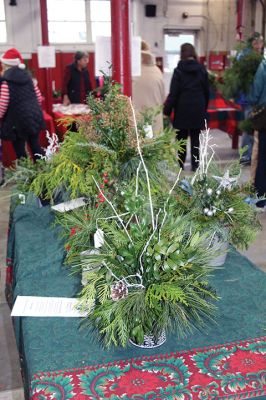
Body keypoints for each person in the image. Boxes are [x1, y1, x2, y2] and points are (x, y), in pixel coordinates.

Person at [164, 43, 209, 171]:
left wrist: (167, 111)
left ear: (182, 54)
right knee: (196, 139)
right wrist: (203, 108)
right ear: (193, 53)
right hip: (198, 108)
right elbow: (207, 91)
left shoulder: (178, 71)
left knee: (181, 139)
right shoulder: (202, 70)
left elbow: (174, 93)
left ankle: (180, 165)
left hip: (182, 109)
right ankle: (195, 166)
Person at [0, 48, 44, 161]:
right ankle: (43, 171)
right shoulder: (29, 79)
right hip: (33, 117)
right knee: (35, 146)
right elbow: (39, 98)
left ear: (5, 66)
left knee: (20, 150)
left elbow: (2, 105)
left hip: (17, 121)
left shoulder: (6, 82)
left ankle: (26, 175)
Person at [237, 32, 264, 165]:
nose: (260, 46)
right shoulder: (248, 58)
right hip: (250, 99)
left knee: (251, 128)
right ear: (253, 44)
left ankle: (249, 155)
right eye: (258, 43)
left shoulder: (251, 57)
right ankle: (245, 156)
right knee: (249, 128)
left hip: (251, 98)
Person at [132, 40, 165, 135]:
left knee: (139, 148)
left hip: (136, 120)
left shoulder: (130, 71)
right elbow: (162, 98)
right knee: (154, 147)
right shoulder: (157, 71)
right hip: (154, 119)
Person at [248, 57, 266, 208]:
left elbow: (255, 93)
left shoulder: (264, 66)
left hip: (264, 118)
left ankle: (260, 199)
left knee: (262, 158)